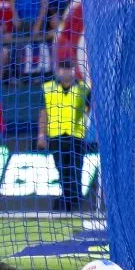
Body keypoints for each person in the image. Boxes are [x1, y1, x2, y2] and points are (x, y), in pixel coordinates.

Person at [37, 60, 91, 212]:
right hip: (56, 136)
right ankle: (67, 204)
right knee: (62, 171)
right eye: (62, 68)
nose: (65, 72)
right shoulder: (48, 88)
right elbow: (43, 113)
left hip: (77, 136)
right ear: (57, 70)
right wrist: (41, 135)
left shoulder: (84, 88)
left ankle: (75, 204)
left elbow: (90, 110)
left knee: (76, 171)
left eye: (68, 68)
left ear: (74, 70)